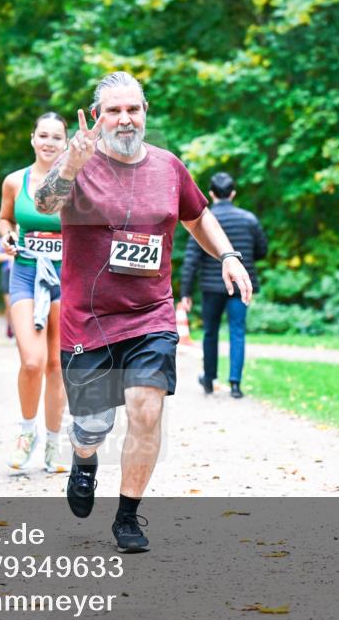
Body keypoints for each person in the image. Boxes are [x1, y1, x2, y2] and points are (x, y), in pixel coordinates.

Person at [35, 72, 252, 553]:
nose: (125, 118)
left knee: (146, 409)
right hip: (88, 320)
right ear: (98, 117)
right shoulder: (81, 164)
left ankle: (128, 516)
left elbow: (198, 217)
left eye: (133, 109)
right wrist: (71, 161)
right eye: (114, 110)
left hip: (151, 313)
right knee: (92, 425)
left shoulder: (169, 167)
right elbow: (44, 203)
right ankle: (83, 459)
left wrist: (229, 256)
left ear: (145, 111)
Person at [0, 112, 68, 473]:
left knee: (57, 364)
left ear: (66, 143)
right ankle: (28, 433)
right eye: (44, 135)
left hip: (65, 277)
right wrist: (7, 236)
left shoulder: (77, 184)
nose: (49, 142)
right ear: (32, 138)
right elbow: (5, 219)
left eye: (57, 137)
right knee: (31, 361)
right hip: (25, 272)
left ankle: (54, 442)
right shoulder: (15, 181)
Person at [180, 171, 268, 399]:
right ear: (233, 193)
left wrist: (186, 292)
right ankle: (235, 384)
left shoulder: (201, 220)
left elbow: (192, 258)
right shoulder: (249, 219)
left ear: (211, 193)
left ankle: (209, 379)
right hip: (240, 286)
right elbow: (262, 250)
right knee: (237, 331)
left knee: (210, 332)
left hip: (211, 287)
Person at [0, 236, 15, 339]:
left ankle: (19, 331)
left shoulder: (29, 235)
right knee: (9, 304)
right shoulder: (5, 239)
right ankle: (12, 328)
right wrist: (8, 256)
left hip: (24, 274)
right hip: (8, 273)